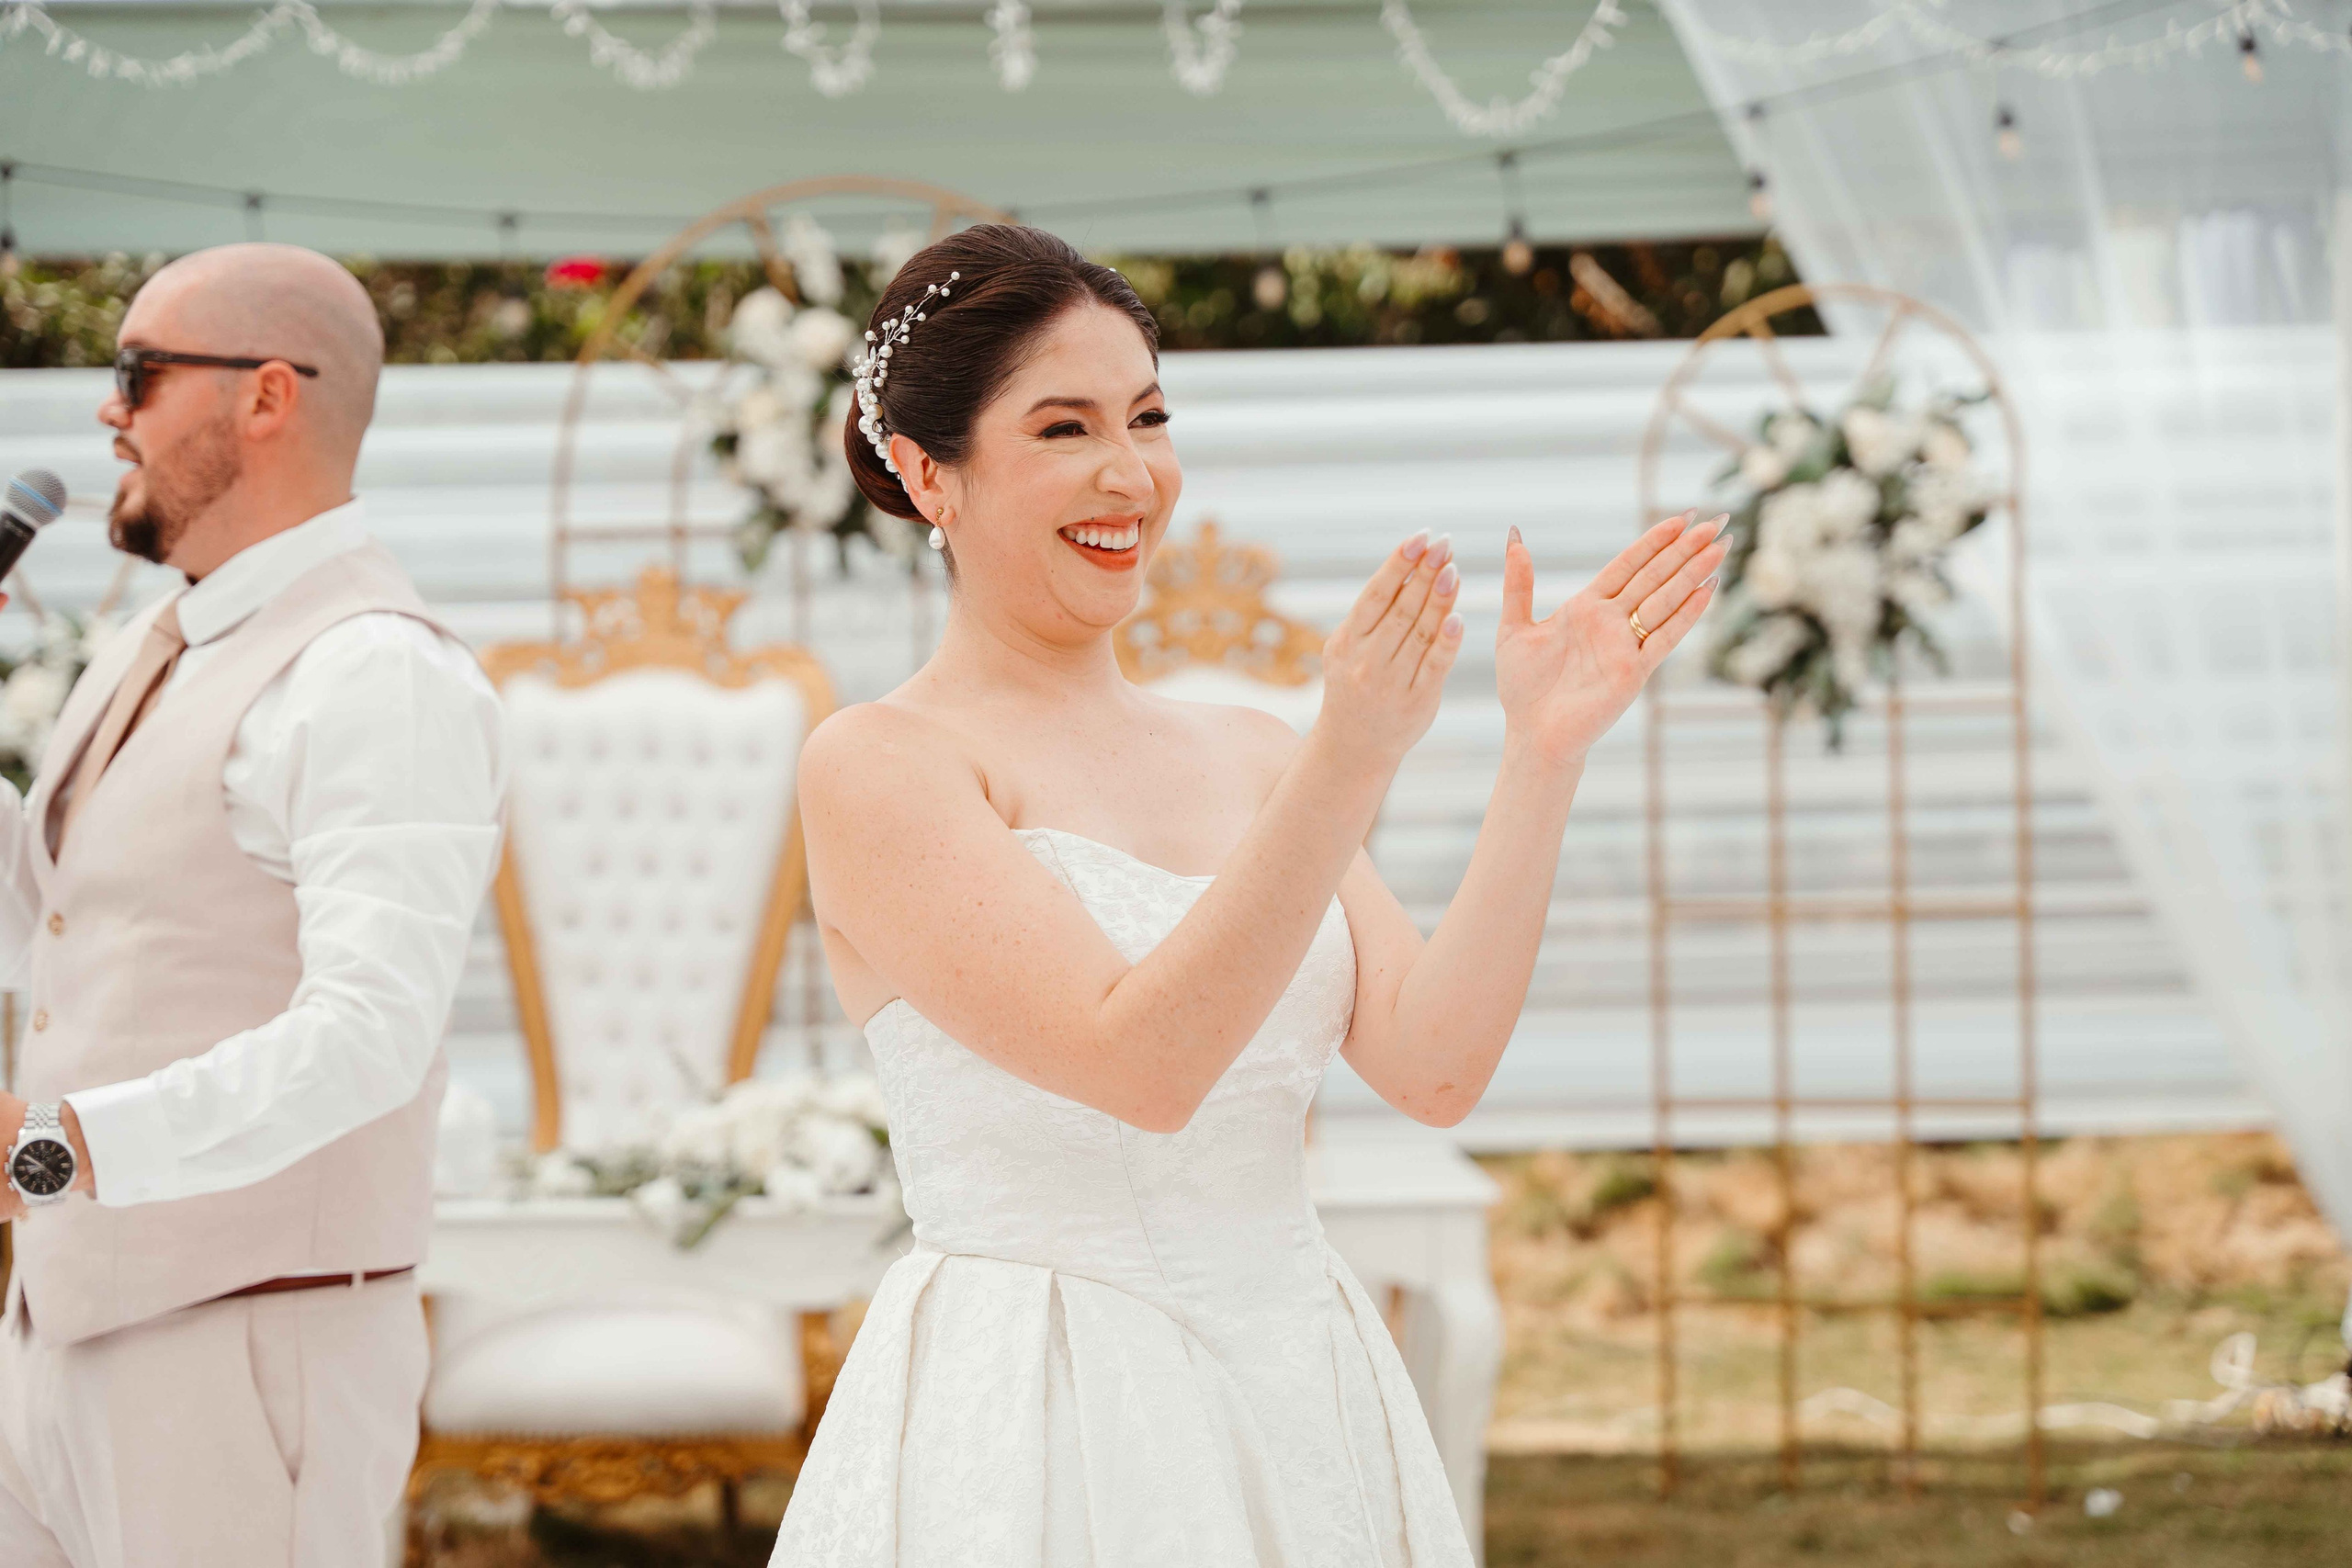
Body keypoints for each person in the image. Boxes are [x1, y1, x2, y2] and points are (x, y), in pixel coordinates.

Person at [771, 224, 1725, 1565]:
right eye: (1063, 428)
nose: (1130, 474)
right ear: (932, 472)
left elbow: (1436, 1067)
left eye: (1149, 417)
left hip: (1301, 1374)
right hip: (1051, 1414)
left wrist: (1541, 756)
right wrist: (1347, 760)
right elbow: (1142, 1063)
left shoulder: (1253, 753)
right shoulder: (884, 766)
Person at [0, 243, 506, 1567]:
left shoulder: (376, 675)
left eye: (136, 372)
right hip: (59, 1337)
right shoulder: (153, 638)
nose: (108, 410)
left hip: (246, 1344)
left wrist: (53, 1150)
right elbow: (60, 929)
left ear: (266, 397)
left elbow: (367, 1038)